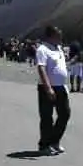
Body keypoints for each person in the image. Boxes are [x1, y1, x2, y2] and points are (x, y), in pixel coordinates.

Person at [35, 26, 71, 155]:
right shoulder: (42, 49)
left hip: (61, 86)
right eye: (58, 35)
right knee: (47, 117)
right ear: (50, 36)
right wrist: (48, 88)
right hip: (47, 87)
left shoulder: (59, 48)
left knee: (65, 114)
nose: (60, 37)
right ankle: (44, 145)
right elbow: (41, 68)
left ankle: (54, 141)